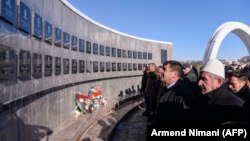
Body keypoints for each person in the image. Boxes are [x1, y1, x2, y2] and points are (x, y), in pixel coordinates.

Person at [197, 59, 244, 125]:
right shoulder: (203, 98)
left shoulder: (236, 107)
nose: (199, 83)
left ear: (218, 81)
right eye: (200, 78)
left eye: (204, 79)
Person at [154, 60, 198, 125]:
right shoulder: (165, 88)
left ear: (174, 74)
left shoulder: (183, 95)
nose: (161, 71)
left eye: (164, 69)